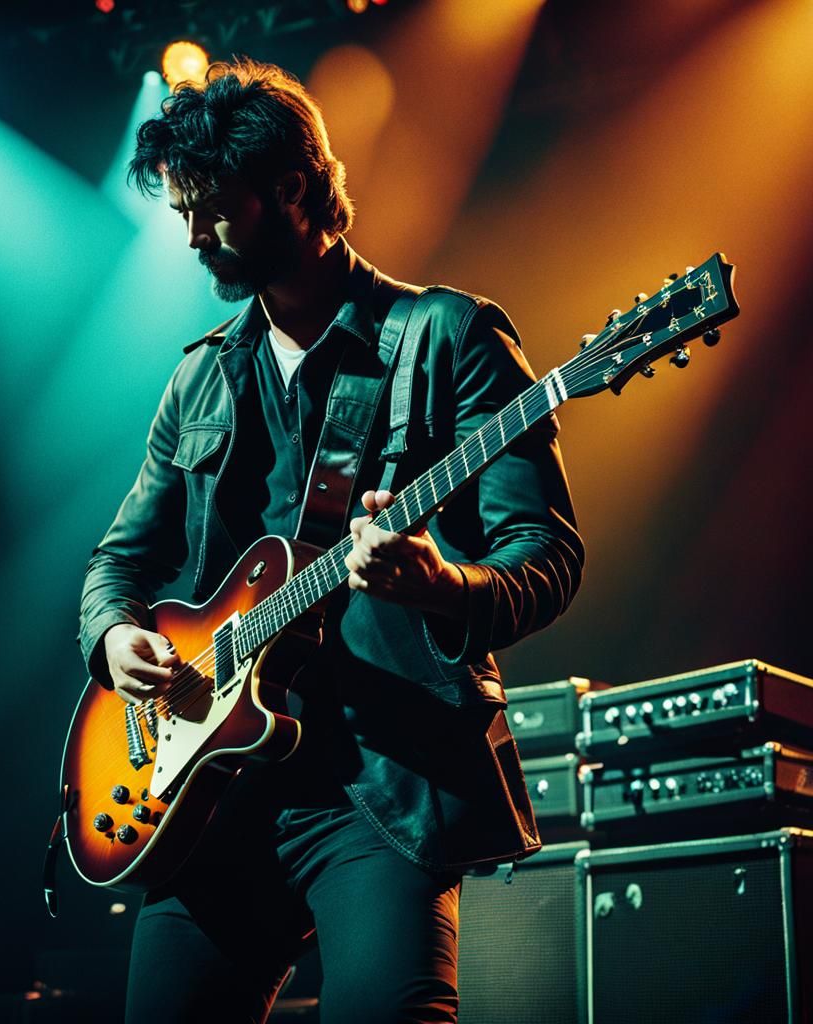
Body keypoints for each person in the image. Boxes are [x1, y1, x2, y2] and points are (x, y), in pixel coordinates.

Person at [78, 58, 584, 1024]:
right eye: (182, 210)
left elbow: (546, 556)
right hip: (211, 796)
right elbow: (119, 563)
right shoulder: (199, 378)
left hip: (384, 792)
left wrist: (444, 586)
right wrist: (116, 638)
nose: (190, 235)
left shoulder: (448, 338)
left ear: (294, 188)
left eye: (210, 208)